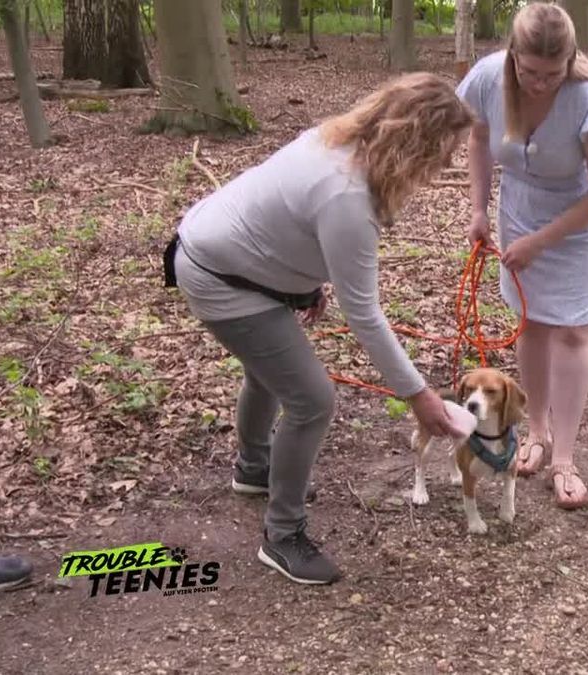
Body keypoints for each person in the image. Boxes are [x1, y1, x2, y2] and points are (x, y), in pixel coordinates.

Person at [165, 72, 473, 585]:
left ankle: (254, 470)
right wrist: (419, 395)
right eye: (444, 152)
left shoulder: (341, 140)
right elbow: (364, 315)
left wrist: (303, 284)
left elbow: (286, 222)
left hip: (224, 253)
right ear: (417, 142)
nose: (446, 165)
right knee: (312, 399)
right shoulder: (346, 195)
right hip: (219, 277)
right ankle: (283, 537)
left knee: (270, 371)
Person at [456, 2, 588, 510]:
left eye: (552, 74)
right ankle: (535, 433)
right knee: (531, 324)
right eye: (530, 71)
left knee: (574, 330)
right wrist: (478, 210)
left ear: (571, 61)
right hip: (524, 207)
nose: (539, 82)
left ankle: (565, 458)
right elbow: (479, 138)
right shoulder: (490, 78)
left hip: (585, 219)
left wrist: (540, 242)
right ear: (514, 56)